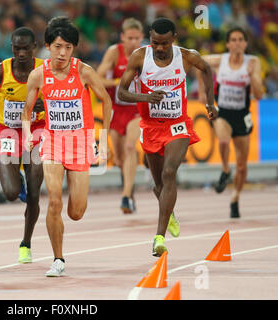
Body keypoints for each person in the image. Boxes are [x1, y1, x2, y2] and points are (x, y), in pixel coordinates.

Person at [117, 18, 218, 257]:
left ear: (174, 38)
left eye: (164, 43)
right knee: (160, 185)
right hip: (151, 125)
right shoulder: (140, 57)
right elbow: (121, 92)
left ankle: (159, 237)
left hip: (177, 124)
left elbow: (206, 69)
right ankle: (169, 211)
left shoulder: (186, 56)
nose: (159, 48)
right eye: (155, 43)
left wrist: (210, 102)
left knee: (169, 173)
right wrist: (146, 97)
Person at [22, 17, 112, 276]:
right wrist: (28, 134)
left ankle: (71, 219)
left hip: (81, 143)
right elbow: (27, 111)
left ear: (74, 49)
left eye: (68, 47)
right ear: (48, 46)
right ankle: (58, 259)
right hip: (52, 142)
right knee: (53, 202)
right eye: (58, 46)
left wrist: (103, 141)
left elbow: (106, 101)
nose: (62, 53)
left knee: (76, 212)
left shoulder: (83, 71)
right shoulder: (38, 75)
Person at [0, 27, 45, 264]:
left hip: (37, 131)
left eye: (25, 48)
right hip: (8, 131)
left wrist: (45, 104)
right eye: (16, 48)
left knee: (34, 191)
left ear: (34, 47)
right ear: (12, 48)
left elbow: (61, 94)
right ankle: (16, 177)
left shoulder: (44, 70)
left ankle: (26, 242)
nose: (21, 53)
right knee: (10, 193)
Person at [198, 27, 263, 218]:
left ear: (245, 43)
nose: (237, 43)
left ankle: (235, 197)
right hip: (223, 113)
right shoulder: (220, 60)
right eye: (233, 40)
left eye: (240, 39)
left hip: (242, 116)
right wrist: (203, 92)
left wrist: (252, 76)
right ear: (227, 44)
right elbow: (198, 63)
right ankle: (226, 169)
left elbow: (259, 94)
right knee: (224, 141)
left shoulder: (253, 62)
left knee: (242, 167)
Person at [96, 18, 144, 214]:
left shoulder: (145, 54)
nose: (133, 42)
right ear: (123, 37)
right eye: (129, 38)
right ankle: (129, 192)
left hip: (136, 110)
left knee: (130, 146)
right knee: (119, 160)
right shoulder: (114, 52)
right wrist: (119, 81)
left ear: (142, 37)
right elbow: (97, 78)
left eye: (137, 38)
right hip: (117, 109)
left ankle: (125, 196)